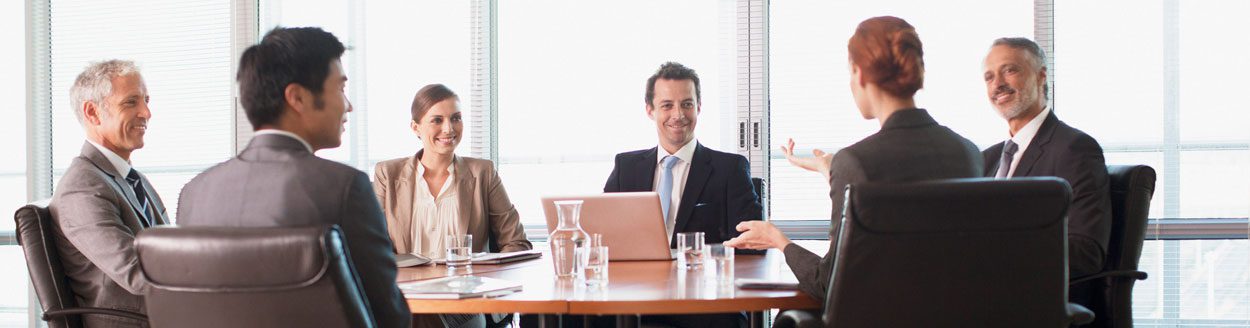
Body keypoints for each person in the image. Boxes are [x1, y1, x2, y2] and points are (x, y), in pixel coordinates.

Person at [725, 16, 983, 304]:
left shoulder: (855, 162)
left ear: (859, 74)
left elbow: (829, 283)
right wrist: (832, 171)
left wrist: (779, 241)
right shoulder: (968, 152)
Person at [175, 27, 410, 328]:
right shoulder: (345, 188)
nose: (348, 105)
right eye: (340, 88)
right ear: (297, 97)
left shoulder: (194, 193)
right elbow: (388, 314)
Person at [601, 62, 763, 328]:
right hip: (633, 298)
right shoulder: (626, 168)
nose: (678, 114)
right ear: (649, 110)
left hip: (704, 303)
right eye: (667, 105)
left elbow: (753, 245)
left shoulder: (729, 169)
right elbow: (602, 233)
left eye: (687, 104)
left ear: (699, 107)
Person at [373, 84, 530, 328]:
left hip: (466, 301)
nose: (449, 128)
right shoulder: (388, 175)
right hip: (407, 297)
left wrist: (482, 280)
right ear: (416, 127)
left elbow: (517, 244)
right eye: (437, 120)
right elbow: (372, 247)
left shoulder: (482, 173)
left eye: (456, 118)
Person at [981, 37, 1111, 306]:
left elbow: (1086, 251)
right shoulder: (987, 158)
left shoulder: (1074, 148)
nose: (997, 84)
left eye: (1010, 70)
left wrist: (998, 256)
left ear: (1041, 76)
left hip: (1034, 303)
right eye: (989, 76)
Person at [48, 59, 169, 328]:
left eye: (146, 100)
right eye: (131, 102)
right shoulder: (83, 187)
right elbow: (138, 274)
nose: (146, 112)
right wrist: (210, 273)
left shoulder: (131, 179)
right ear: (93, 113)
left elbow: (166, 245)